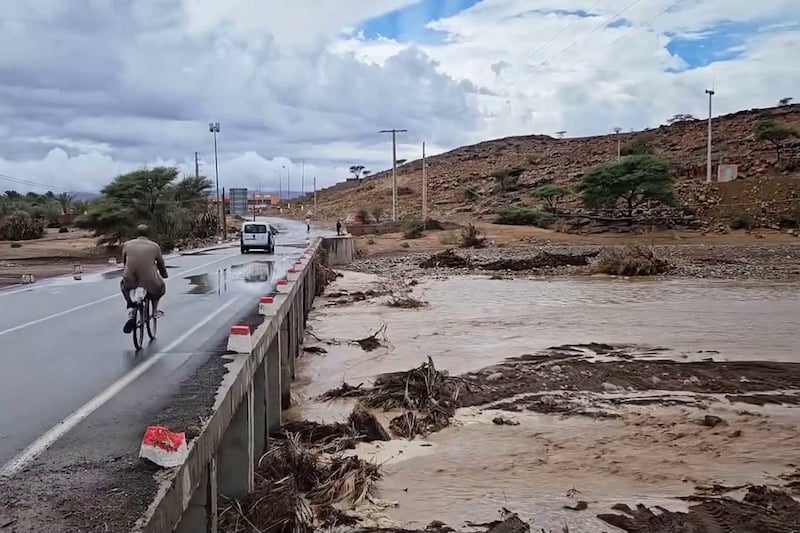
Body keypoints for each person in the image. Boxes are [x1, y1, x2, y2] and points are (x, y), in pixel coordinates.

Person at [120, 224, 168, 334]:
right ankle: (154, 311)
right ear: (148, 234)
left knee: (124, 286)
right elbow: (161, 263)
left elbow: (125, 261)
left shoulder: (127, 245)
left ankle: (131, 308)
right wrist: (164, 274)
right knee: (160, 288)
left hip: (130, 278)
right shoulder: (154, 246)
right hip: (149, 280)